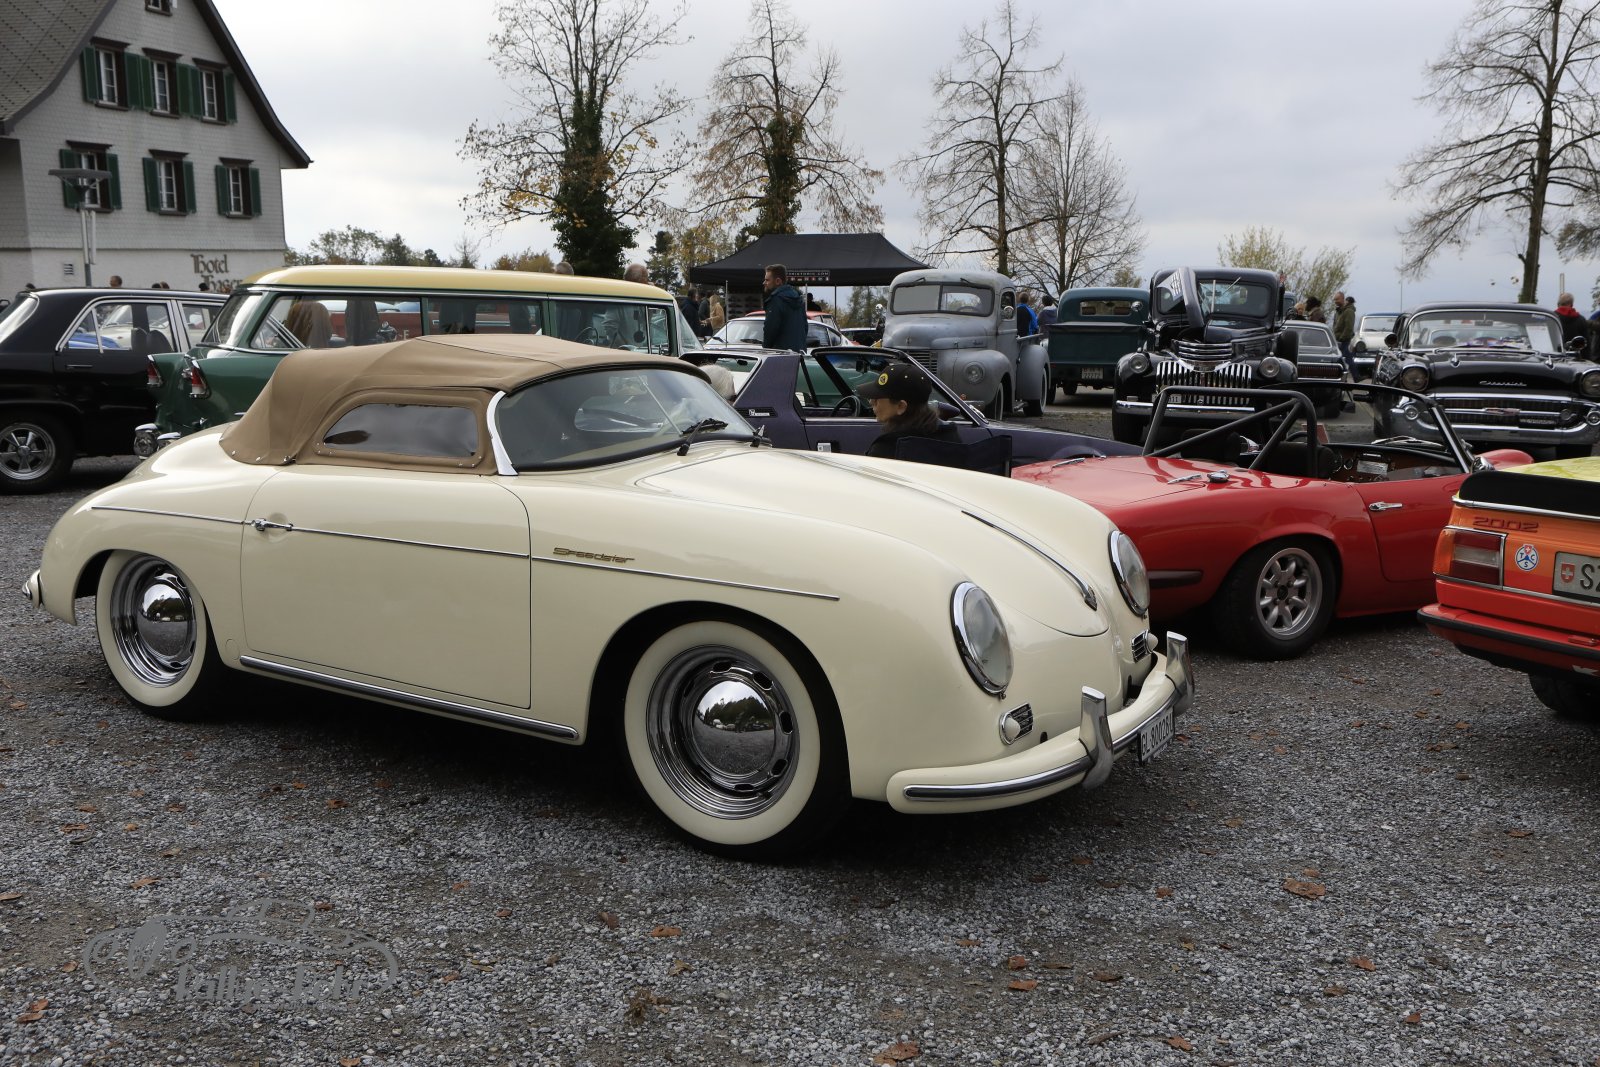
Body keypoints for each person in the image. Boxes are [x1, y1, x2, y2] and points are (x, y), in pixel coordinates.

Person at [856, 363, 961, 458]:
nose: (871, 402)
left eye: (877, 398)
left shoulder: (887, 447)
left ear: (901, 406)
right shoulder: (950, 436)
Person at [762, 265, 807, 351]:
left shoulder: (776, 300)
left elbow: (770, 329)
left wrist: (766, 348)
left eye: (767, 280)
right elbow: (805, 327)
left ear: (778, 281)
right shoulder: (799, 300)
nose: (764, 283)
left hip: (780, 354)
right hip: (799, 353)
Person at [1332, 291, 1356, 375]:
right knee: (1345, 358)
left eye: (1337, 299)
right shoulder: (1339, 311)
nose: (1336, 301)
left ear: (1343, 299)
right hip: (1338, 339)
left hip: (1344, 340)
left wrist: (1342, 338)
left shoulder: (1348, 311)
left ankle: (1354, 375)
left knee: (1345, 358)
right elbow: (1336, 325)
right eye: (1335, 300)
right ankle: (1354, 376)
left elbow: (1348, 327)